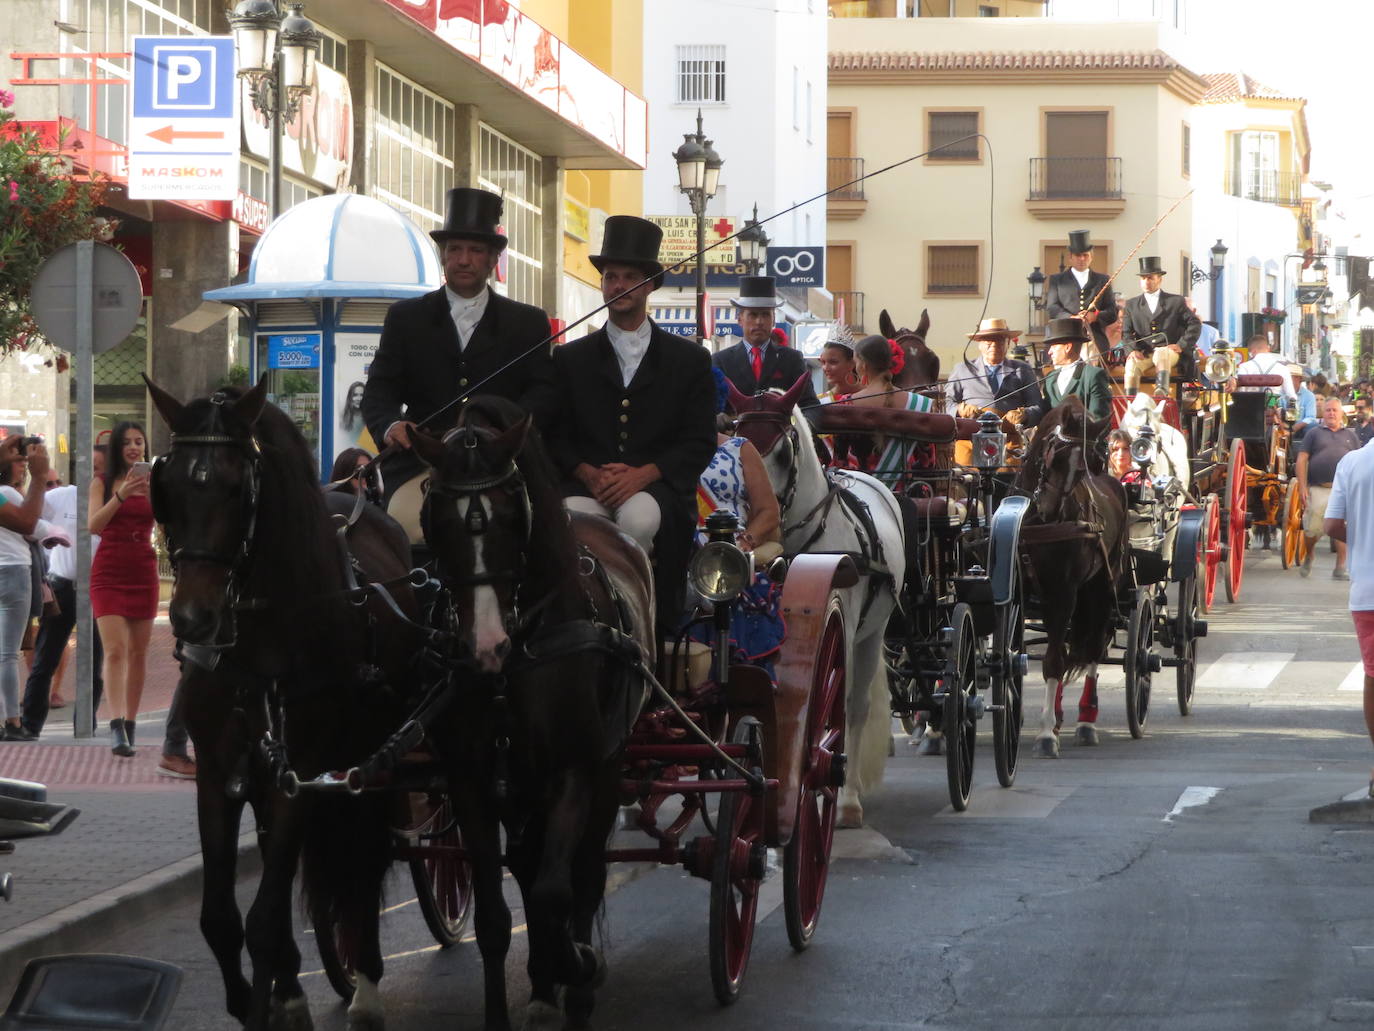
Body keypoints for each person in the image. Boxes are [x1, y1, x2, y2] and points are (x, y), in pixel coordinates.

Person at [547, 215, 717, 640]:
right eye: (610, 277)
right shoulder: (571, 359)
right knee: (570, 521)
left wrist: (645, 474)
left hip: (656, 491)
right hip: (587, 488)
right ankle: (579, 619)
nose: (617, 285)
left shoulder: (689, 361)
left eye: (628, 277)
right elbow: (555, 435)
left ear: (649, 285)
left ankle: (639, 625)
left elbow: (698, 441)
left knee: (640, 519)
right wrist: (587, 472)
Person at [362, 186, 557, 520]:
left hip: (504, 468)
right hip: (425, 464)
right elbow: (379, 391)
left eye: (475, 250)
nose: (464, 260)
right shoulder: (406, 318)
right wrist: (390, 424)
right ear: (443, 255)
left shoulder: (528, 323)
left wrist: (506, 435)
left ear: (494, 258)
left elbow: (543, 394)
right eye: (455, 249)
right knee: (404, 522)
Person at [691, 368, 785, 671]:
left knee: (728, 578)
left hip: (730, 549)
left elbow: (768, 511)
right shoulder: (660, 453)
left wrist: (744, 543)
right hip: (681, 547)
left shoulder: (739, 449)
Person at [20, 458, 106, 738]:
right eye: (93, 467)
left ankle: (86, 727)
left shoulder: (116, 501)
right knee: (45, 658)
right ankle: (30, 725)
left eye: (102, 468)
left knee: (94, 663)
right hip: (63, 586)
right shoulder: (61, 496)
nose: (96, 474)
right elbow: (27, 516)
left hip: (98, 590)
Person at [88, 421, 158, 757]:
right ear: (117, 447)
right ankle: (115, 725)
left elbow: (168, 521)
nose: (134, 447)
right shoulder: (101, 482)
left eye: (139, 442)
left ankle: (130, 723)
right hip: (109, 570)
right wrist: (122, 495)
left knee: (139, 653)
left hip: (143, 568)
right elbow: (94, 525)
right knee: (114, 650)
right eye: (127, 442)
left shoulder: (154, 482)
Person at [1323, 436, 1374, 796]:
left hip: (1367, 590)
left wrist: (1361, 539)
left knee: (1373, 677)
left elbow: (1331, 526)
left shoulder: (1353, 463)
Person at [831, 334, 937, 492]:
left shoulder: (846, 403)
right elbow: (928, 462)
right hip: (907, 495)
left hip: (860, 496)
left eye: (856, 361)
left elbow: (840, 462)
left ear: (864, 366)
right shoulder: (919, 404)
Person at [0, 436, 50, 741]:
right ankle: (13, 722)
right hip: (15, 571)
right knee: (6, 654)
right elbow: (33, 525)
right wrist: (41, 476)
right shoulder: (7, 494)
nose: (23, 466)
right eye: (19, 461)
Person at [712, 275, 820, 412]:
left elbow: (810, 406)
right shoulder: (721, 361)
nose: (759, 321)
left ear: (773, 319)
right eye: (753, 315)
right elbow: (709, 405)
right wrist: (717, 419)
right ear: (739, 319)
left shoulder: (792, 359)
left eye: (765, 315)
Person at [1297, 396, 1361, 580]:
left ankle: (1340, 567)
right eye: (1328, 410)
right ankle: (1309, 554)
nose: (1331, 413)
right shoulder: (1314, 434)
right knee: (1311, 529)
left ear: (1341, 414)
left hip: (1343, 490)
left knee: (1342, 526)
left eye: (1335, 410)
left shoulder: (1351, 436)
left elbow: (1359, 462)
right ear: (1323, 413)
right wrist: (1302, 487)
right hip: (1318, 487)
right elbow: (1302, 459)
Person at [1120, 256, 1201, 396]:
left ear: (1160, 279)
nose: (1147, 282)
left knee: (1162, 354)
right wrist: (1132, 350)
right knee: (1131, 364)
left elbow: (1194, 324)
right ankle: (1129, 401)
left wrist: (1181, 344)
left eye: (1150, 278)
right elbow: (1126, 332)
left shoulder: (1175, 301)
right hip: (1144, 352)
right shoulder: (1132, 305)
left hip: (1169, 352)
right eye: (1143, 278)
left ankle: (1161, 391)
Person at [947, 318, 1044, 424]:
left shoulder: (1022, 369)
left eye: (999, 339)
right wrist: (960, 410)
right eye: (988, 340)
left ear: (1008, 343)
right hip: (970, 434)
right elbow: (946, 403)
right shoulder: (962, 369)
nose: (993, 344)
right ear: (979, 344)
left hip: (1010, 434)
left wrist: (1025, 414)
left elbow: (1038, 407)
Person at [1044, 229, 1117, 363]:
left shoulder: (1102, 280)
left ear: (1091, 257)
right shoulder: (1058, 280)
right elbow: (1052, 308)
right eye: (1078, 255)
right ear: (1070, 257)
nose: (1082, 259)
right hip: (1065, 336)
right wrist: (1072, 317)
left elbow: (1112, 312)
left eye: (1085, 255)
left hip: (1093, 338)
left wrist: (1094, 316)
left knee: (1091, 361)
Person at [1037, 317, 1113, 419]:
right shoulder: (1050, 378)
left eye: (1054, 346)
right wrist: (1026, 415)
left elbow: (1098, 420)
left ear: (1067, 347)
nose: (1049, 352)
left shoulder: (1093, 375)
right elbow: (1044, 413)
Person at [1234, 333, 1298, 404]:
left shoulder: (1244, 367)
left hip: (1250, 407)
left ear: (1253, 351)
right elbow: (1291, 396)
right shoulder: (1283, 369)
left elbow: (1240, 392)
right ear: (1268, 349)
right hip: (1272, 407)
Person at [1292, 366, 1320, 437]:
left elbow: (1310, 417)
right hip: (1282, 427)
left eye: (1291, 377)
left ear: (1299, 379)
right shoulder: (1279, 392)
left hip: (1300, 429)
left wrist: (1296, 427)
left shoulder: (1309, 395)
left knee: (1313, 426)